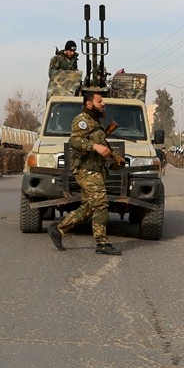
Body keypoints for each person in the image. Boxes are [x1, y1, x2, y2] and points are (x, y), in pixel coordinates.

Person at [47, 90, 122, 256]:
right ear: (89, 103)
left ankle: (58, 230)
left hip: (96, 169)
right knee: (101, 203)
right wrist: (95, 147)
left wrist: (116, 156)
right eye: (100, 101)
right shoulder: (81, 120)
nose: (103, 104)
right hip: (86, 170)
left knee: (89, 207)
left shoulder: (95, 121)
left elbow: (103, 143)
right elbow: (74, 141)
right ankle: (102, 242)